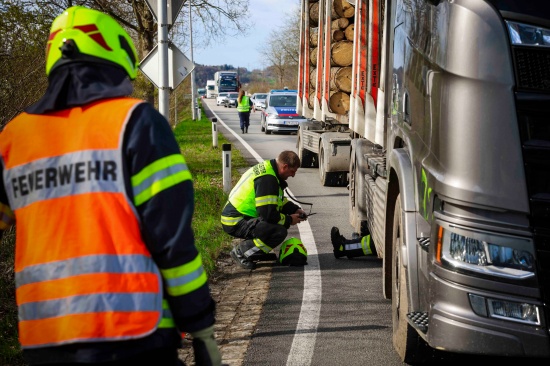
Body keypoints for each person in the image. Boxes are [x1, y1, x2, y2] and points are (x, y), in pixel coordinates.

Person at [0, 6, 220, 366]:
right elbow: (173, 245)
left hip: (45, 342)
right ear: (117, 56)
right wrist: (200, 326)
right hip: (132, 335)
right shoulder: (136, 123)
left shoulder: (12, 139)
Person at [220, 150, 308, 270]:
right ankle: (242, 252)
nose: (292, 175)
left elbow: (276, 200)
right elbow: (268, 214)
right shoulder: (268, 179)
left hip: (238, 216)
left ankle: (254, 251)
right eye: (292, 171)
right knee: (278, 231)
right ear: (285, 166)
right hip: (235, 220)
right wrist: (289, 220)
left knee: (274, 226)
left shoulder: (269, 169)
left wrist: (295, 209)